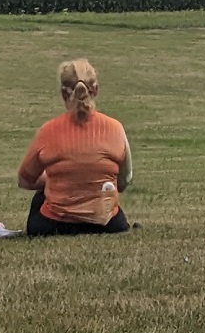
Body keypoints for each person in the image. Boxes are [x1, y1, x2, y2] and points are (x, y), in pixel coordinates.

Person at [17, 58, 133, 236]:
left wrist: (53, 179)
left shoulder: (48, 131)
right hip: (107, 223)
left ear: (64, 94)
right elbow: (124, 181)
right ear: (95, 90)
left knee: (40, 198)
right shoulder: (115, 128)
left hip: (55, 224)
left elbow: (25, 179)